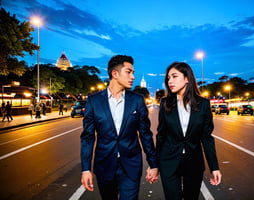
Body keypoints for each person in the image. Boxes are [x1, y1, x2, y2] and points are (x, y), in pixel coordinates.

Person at [80, 55, 158, 200]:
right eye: (129, 72)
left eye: (133, 73)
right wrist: (85, 169)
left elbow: (145, 134)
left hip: (131, 165)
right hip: (104, 165)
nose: (133, 77)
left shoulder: (137, 100)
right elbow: (87, 138)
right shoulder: (93, 101)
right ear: (115, 74)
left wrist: (153, 164)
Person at [156, 62, 222, 200]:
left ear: (187, 79)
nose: (170, 81)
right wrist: (155, 165)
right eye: (168, 78)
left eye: (174, 76)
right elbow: (161, 135)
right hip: (168, 162)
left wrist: (214, 167)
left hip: (193, 162)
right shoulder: (164, 104)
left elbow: (207, 138)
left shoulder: (203, 104)